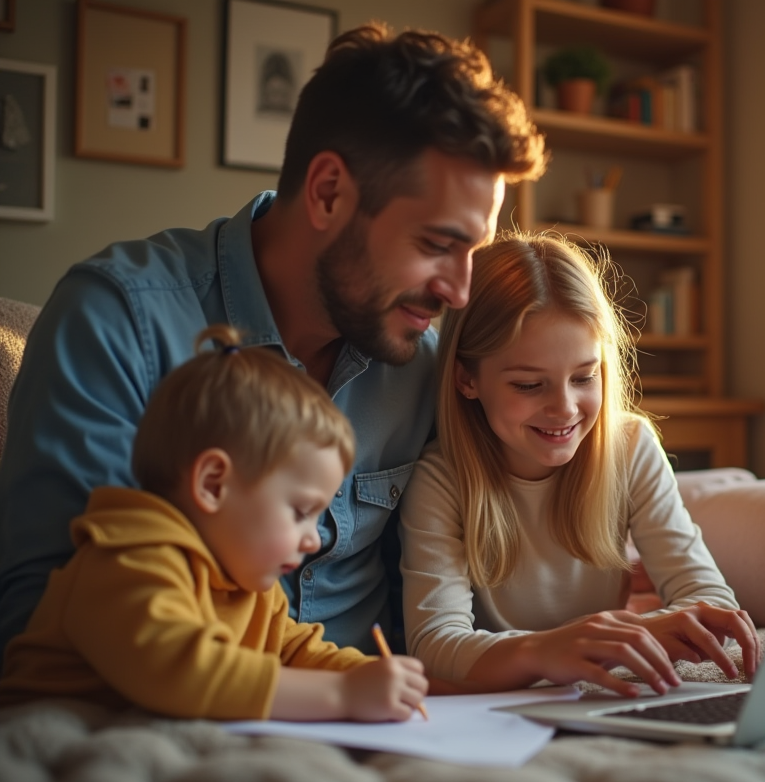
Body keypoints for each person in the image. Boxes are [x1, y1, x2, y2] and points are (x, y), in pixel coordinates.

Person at [0, 23, 547, 661]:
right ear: (328, 193)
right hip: (170, 711)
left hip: (382, 715)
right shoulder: (118, 319)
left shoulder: (422, 363)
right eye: (435, 245)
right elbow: (41, 613)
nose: (459, 292)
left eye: (473, 252)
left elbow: (448, 589)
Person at [0, 326, 429, 721]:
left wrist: (377, 676)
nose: (313, 539)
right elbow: (178, 670)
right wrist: (342, 694)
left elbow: (294, 648)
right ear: (212, 483)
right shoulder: (126, 559)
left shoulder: (247, 582)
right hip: (54, 733)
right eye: (300, 512)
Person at [399, 233, 761, 698]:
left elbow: (708, 598)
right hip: (506, 707)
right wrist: (549, 650)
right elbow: (434, 645)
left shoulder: (629, 445)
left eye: (585, 377)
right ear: (467, 379)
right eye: (530, 385)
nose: (565, 408)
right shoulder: (441, 479)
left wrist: (638, 632)